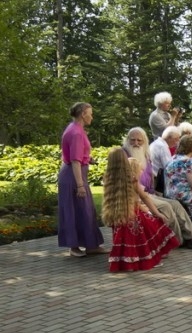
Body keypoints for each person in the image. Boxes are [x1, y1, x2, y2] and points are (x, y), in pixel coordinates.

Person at [122, 128, 192, 249]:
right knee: (167, 206)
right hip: (133, 195)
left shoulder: (145, 154)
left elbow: (150, 176)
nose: (136, 143)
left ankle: (191, 236)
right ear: (127, 140)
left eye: (139, 140)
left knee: (175, 204)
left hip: (148, 193)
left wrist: (152, 190)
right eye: (132, 140)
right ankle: (178, 239)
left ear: (144, 141)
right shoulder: (123, 154)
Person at [102, 149, 180, 272]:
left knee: (125, 239)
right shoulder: (130, 177)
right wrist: (156, 212)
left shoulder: (108, 178)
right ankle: (146, 260)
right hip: (134, 213)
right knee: (146, 233)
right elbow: (144, 196)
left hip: (118, 214)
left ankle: (126, 261)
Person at [57, 102, 108, 258]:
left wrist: (88, 159)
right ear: (82, 114)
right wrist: (80, 185)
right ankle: (74, 246)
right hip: (73, 176)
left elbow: (76, 155)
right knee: (75, 210)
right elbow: (74, 161)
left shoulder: (76, 129)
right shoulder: (76, 133)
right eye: (90, 113)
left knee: (85, 210)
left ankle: (91, 245)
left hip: (76, 173)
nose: (92, 116)